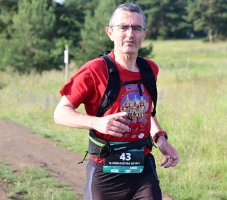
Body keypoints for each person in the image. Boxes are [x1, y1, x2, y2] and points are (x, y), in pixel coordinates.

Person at [54, 3, 179, 200]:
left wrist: (159, 138)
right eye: (123, 27)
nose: (130, 34)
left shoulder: (150, 70)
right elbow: (60, 113)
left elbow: (146, 111)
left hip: (142, 170)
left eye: (136, 28)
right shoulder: (94, 70)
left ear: (144, 34)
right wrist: (98, 122)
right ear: (110, 32)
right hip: (106, 172)